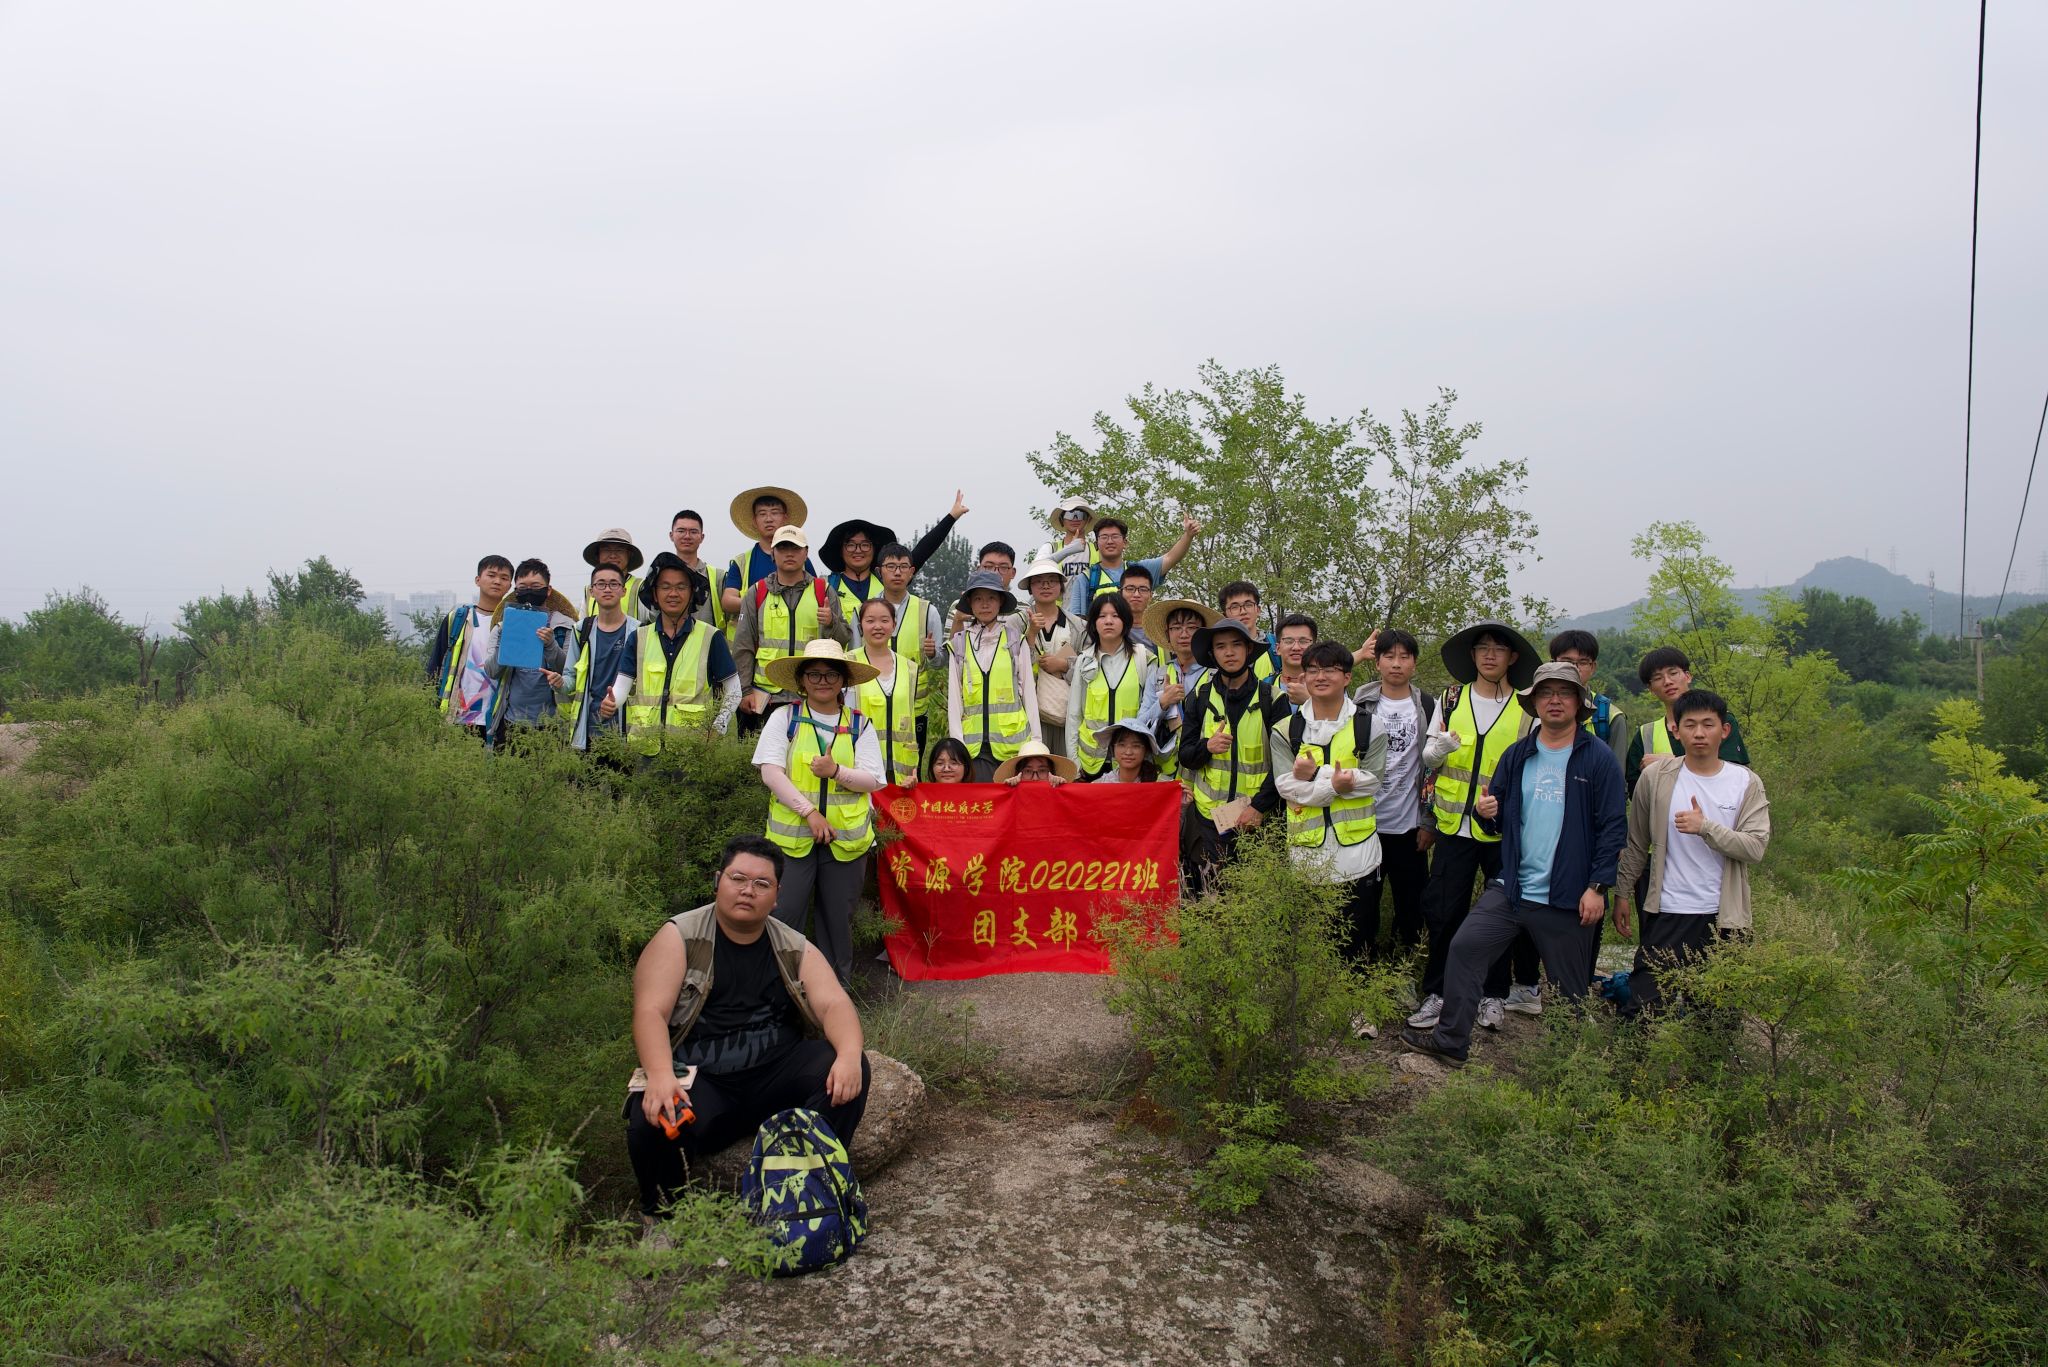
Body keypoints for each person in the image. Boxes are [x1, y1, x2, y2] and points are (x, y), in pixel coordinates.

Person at [626, 835, 871, 1223]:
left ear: (776, 896)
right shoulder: (680, 936)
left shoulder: (790, 944)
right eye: (738, 878)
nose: (747, 890)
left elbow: (834, 1003)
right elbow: (650, 1011)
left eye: (761, 884)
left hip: (773, 1079)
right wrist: (658, 1074)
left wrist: (848, 1055)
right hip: (705, 1082)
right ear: (718, 880)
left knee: (844, 1064)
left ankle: (803, 1190)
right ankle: (663, 1217)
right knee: (649, 1117)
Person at [1398, 663, 1626, 1067]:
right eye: (1546, 693)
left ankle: (1572, 1068)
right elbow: (1499, 817)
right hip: (1513, 887)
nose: (1555, 700)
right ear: (1534, 703)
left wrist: (1597, 887)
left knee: (1569, 990)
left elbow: (1612, 826)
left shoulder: (1597, 759)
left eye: (1564, 693)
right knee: (1466, 948)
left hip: (1569, 895)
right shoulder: (1518, 754)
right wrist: (1488, 812)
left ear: (1579, 703)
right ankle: (1451, 1040)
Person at [1410, 621, 1537, 1035]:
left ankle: (1493, 995)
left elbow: (1533, 768)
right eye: (1482, 648)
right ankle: (1438, 992)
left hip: (1503, 831)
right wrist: (1441, 746)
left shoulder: (1525, 708)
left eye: (1498, 649)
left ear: (1512, 658)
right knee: (1445, 912)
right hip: (1452, 827)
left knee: (1499, 916)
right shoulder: (1451, 698)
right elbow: (1429, 759)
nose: (1489, 655)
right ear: (1473, 655)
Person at [1615, 689, 1770, 1016]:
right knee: (1644, 1009)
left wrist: (1706, 828)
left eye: (1708, 724)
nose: (1699, 733)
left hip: (1724, 916)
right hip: (1669, 910)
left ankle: (1705, 1069)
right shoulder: (1655, 778)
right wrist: (1623, 894)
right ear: (1676, 730)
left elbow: (1755, 847)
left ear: (1724, 731)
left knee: (1717, 1018)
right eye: (1690, 725)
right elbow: (1636, 842)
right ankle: (1633, 1066)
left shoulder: (1745, 782)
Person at [752, 640, 886, 985]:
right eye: (814, 673)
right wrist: (809, 812)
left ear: (843, 681)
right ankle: (780, 992)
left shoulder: (861, 725)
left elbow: (873, 779)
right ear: (801, 680)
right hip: (793, 841)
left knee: (837, 922)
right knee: (784, 916)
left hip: (846, 843)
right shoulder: (785, 718)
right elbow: (770, 772)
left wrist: (836, 771)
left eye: (831, 674)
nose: (822, 680)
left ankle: (831, 996)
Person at [1274, 640, 1389, 963]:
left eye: (1329, 670)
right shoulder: (1287, 729)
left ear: (1347, 677)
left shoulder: (1369, 726)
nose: (1319, 676)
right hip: (1306, 853)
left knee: (1359, 936)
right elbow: (1285, 786)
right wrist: (1335, 785)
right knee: (1311, 939)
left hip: (1358, 853)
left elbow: (1372, 780)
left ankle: (1358, 1010)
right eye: (1312, 670)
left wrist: (1315, 776)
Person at [1351, 629, 1454, 953]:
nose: (1396, 664)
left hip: (1408, 827)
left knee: (1411, 904)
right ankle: (1362, 971)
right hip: (1363, 824)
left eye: (1404, 657)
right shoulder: (1360, 703)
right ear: (1377, 661)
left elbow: (1434, 767)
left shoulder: (1427, 705)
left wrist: (1428, 822)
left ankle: (1404, 972)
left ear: (1414, 663)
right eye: (1389, 656)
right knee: (1362, 905)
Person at [1177, 617, 1292, 895]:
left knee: (1256, 902)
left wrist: (1259, 808)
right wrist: (1207, 746)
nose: (1229, 652)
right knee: (1212, 901)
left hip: (1258, 821)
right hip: (1208, 821)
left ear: (1249, 650)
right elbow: (1186, 756)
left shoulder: (1273, 700)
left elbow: (1284, 765)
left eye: (1236, 645)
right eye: (1221, 646)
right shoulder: (1199, 697)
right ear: (1212, 654)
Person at [616, 553, 743, 756]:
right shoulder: (638, 637)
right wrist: (610, 702)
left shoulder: (711, 637)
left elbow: (734, 690)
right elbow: (621, 688)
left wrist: (719, 727)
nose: (673, 593)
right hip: (645, 752)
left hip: (693, 753)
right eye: (665, 587)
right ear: (655, 594)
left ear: (692, 593)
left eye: (681, 587)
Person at [731, 525, 850, 735]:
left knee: (808, 761)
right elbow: (743, 646)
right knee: (763, 764)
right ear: (773, 554)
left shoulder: (823, 591)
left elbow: (843, 642)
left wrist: (832, 622)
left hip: (812, 696)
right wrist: (745, 691)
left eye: (795, 548)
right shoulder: (757, 593)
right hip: (766, 697)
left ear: (806, 553)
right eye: (782, 547)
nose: (789, 553)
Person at [947, 569, 1042, 780]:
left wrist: (1035, 744)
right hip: (974, 749)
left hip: (1014, 747)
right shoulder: (959, 643)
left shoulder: (1015, 640)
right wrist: (957, 748)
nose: (985, 604)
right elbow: (955, 701)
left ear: (1000, 601)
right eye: (978, 598)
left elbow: (1028, 693)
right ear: (970, 603)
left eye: (991, 598)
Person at [819, 492, 970, 624]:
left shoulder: (887, 578)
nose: (858, 551)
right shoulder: (826, 586)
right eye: (850, 545)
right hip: (842, 656)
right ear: (841, 550)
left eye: (865, 545)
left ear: (874, 549)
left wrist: (952, 517)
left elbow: (923, 550)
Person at [1626, 646, 1751, 792]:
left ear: (1688, 676)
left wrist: (1668, 763)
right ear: (1651, 689)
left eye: (1673, 673)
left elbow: (1733, 773)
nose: (1667, 681)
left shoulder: (1720, 720)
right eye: (1658, 678)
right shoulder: (1646, 734)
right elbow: (1636, 788)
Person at [481, 559, 578, 743]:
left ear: (548, 590)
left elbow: (569, 671)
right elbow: (492, 671)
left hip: (554, 723)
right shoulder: (502, 629)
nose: (529, 592)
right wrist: (508, 642)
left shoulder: (565, 628)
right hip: (511, 721)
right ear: (516, 591)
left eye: (536, 586)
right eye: (523, 587)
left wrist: (551, 644)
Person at [1066, 592, 1156, 780]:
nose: (1109, 621)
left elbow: (1151, 712)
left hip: (1131, 762)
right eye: (1102, 616)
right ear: (1093, 623)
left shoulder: (1143, 658)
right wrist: (1074, 762)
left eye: (1115, 616)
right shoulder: (1084, 660)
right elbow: (1074, 715)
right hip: (1090, 762)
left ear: (1125, 621)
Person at [427, 554, 513, 737]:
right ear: (478, 579)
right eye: (491, 575)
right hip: (457, 716)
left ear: (510, 586)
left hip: (498, 718)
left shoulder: (512, 623)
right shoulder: (458, 619)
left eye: (504, 578)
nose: (497, 581)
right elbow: (436, 664)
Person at [563, 562, 640, 752]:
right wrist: (559, 682)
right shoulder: (582, 630)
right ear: (591, 592)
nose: (607, 589)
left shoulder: (639, 631)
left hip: (626, 730)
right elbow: (570, 678)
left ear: (623, 591)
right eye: (601, 584)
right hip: (587, 731)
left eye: (614, 584)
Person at [1142, 598, 1217, 784]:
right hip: (1165, 773)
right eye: (1176, 628)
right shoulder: (1159, 674)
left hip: (1207, 771)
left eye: (1191, 627)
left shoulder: (1217, 675)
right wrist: (1162, 703)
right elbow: (1140, 722)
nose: (1184, 634)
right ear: (1168, 634)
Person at [851, 596, 923, 788]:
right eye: (870, 621)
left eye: (884, 620)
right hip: (862, 767)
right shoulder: (848, 663)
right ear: (860, 626)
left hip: (902, 772)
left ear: (894, 625)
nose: (877, 626)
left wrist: (913, 768)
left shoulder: (910, 668)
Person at [1068, 514, 1199, 615]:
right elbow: (1076, 621)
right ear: (1096, 544)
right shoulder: (1085, 579)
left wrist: (1188, 535)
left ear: (1125, 542)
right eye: (1104, 537)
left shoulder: (1140, 570)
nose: (1109, 541)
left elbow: (1170, 558)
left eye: (1115, 536)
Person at [721, 486, 814, 626]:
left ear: (785, 518)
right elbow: (728, 601)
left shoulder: (802, 560)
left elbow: (817, 596)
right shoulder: (742, 562)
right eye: (762, 514)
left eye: (775, 513)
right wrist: (767, 604)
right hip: (751, 640)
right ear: (754, 520)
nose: (768, 519)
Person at [1018, 555, 1078, 759]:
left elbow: (1089, 664)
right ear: (1030, 587)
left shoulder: (1078, 625)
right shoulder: (1015, 622)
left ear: (1061, 586)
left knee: (1064, 769)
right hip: (1027, 712)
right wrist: (1031, 633)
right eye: (1038, 581)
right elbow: (1010, 662)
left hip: (1066, 711)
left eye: (1052, 581)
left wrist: (1064, 664)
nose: (1045, 586)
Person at [1549, 629, 1627, 768]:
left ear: (1593, 667)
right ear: (1552, 663)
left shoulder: (1611, 717)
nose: (1575, 668)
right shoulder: (1536, 710)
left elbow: (1617, 777)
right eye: (1567, 661)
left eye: (1583, 662)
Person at [1216, 581, 1283, 680]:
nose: (1243, 611)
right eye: (1234, 607)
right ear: (1224, 615)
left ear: (1258, 610)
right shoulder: (1216, 652)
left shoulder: (1275, 646)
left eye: (1248, 605)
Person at [667, 510, 723, 629]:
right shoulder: (660, 575)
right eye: (681, 531)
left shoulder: (718, 577)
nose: (687, 536)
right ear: (671, 535)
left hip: (708, 645)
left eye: (693, 532)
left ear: (702, 537)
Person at [582, 529, 651, 624]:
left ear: (629, 555)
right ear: (598, 555)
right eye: (606, 550)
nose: (613, 555)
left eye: (619, 550)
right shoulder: (589, 590)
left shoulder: (641, 587)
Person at [1273, 613, 1318, 710]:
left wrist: (1309, 701)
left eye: (1303, 641)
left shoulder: (1330, 686)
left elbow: (1345, 721)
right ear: (1278, 648)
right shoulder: (1264, 687)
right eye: (1289, 641)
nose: (1296, 647)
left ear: (1315, 647)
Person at [995, 738, 1076, 786]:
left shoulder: (1058, 792)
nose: (1035, 778)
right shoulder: (1011, 795)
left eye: (1042, 771)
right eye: (1028, 771)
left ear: (1052, 772)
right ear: (1017, 773)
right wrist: (1008, 791)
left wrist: (1062, 789)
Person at [1097, 722, 1162, 783]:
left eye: (1136, 746)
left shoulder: (1162, 784)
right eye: (1122, 745)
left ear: (1146, 750)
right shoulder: (1102, 784)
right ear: (1112, 748)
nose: (1128, 752)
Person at [1118, 564, 1157, 650]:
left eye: (1143, 589)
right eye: (1130, 588)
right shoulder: (1109, 626)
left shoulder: (1162, 630)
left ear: (1151, 595)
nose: (1136, 594)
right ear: (1120, 593)